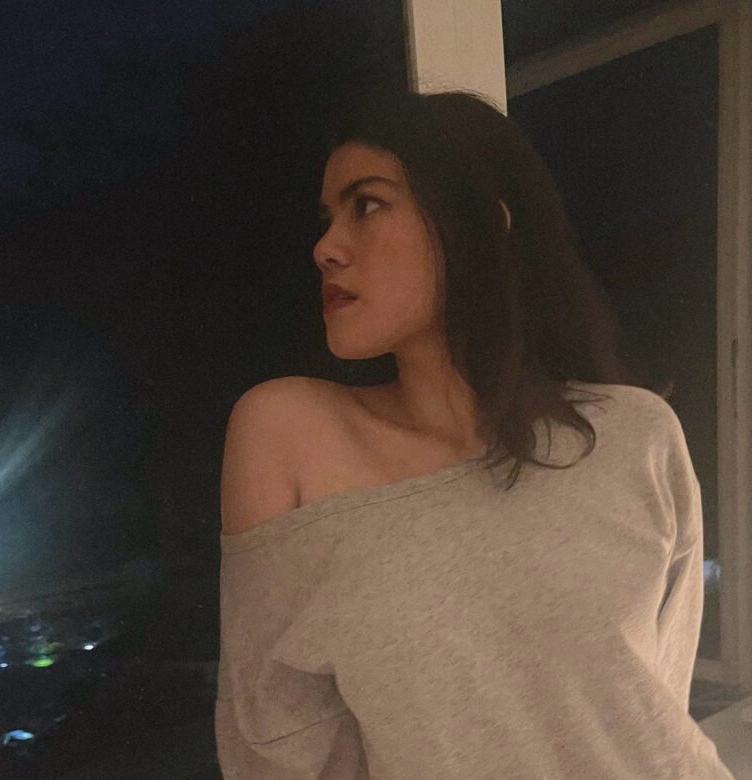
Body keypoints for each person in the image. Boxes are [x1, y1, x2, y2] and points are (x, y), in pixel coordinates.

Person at [215, 87, 734, 778]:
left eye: (366, 205)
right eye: (327, 218)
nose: (325, 248)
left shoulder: (633, 434)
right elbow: (274, 748)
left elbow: (654, 703)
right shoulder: (287, 437)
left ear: (484, 225)